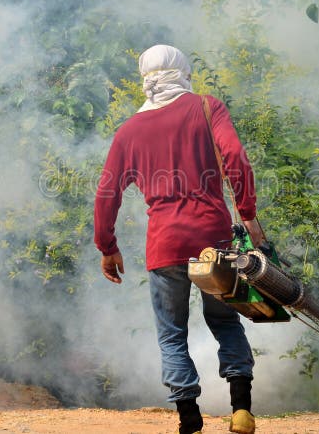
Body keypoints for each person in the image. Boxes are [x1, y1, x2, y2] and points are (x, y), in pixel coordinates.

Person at [94, 44, 265, 434]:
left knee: (172, 333)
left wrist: (108, 246)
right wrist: (248, 211)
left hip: (164, 246)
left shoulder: (129, 131)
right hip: (213, 239)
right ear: (183, 71)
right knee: (225, 322)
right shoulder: (208, 107)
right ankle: (241, 409)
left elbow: (107, 194)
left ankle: (189, 417)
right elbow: (235, 158)